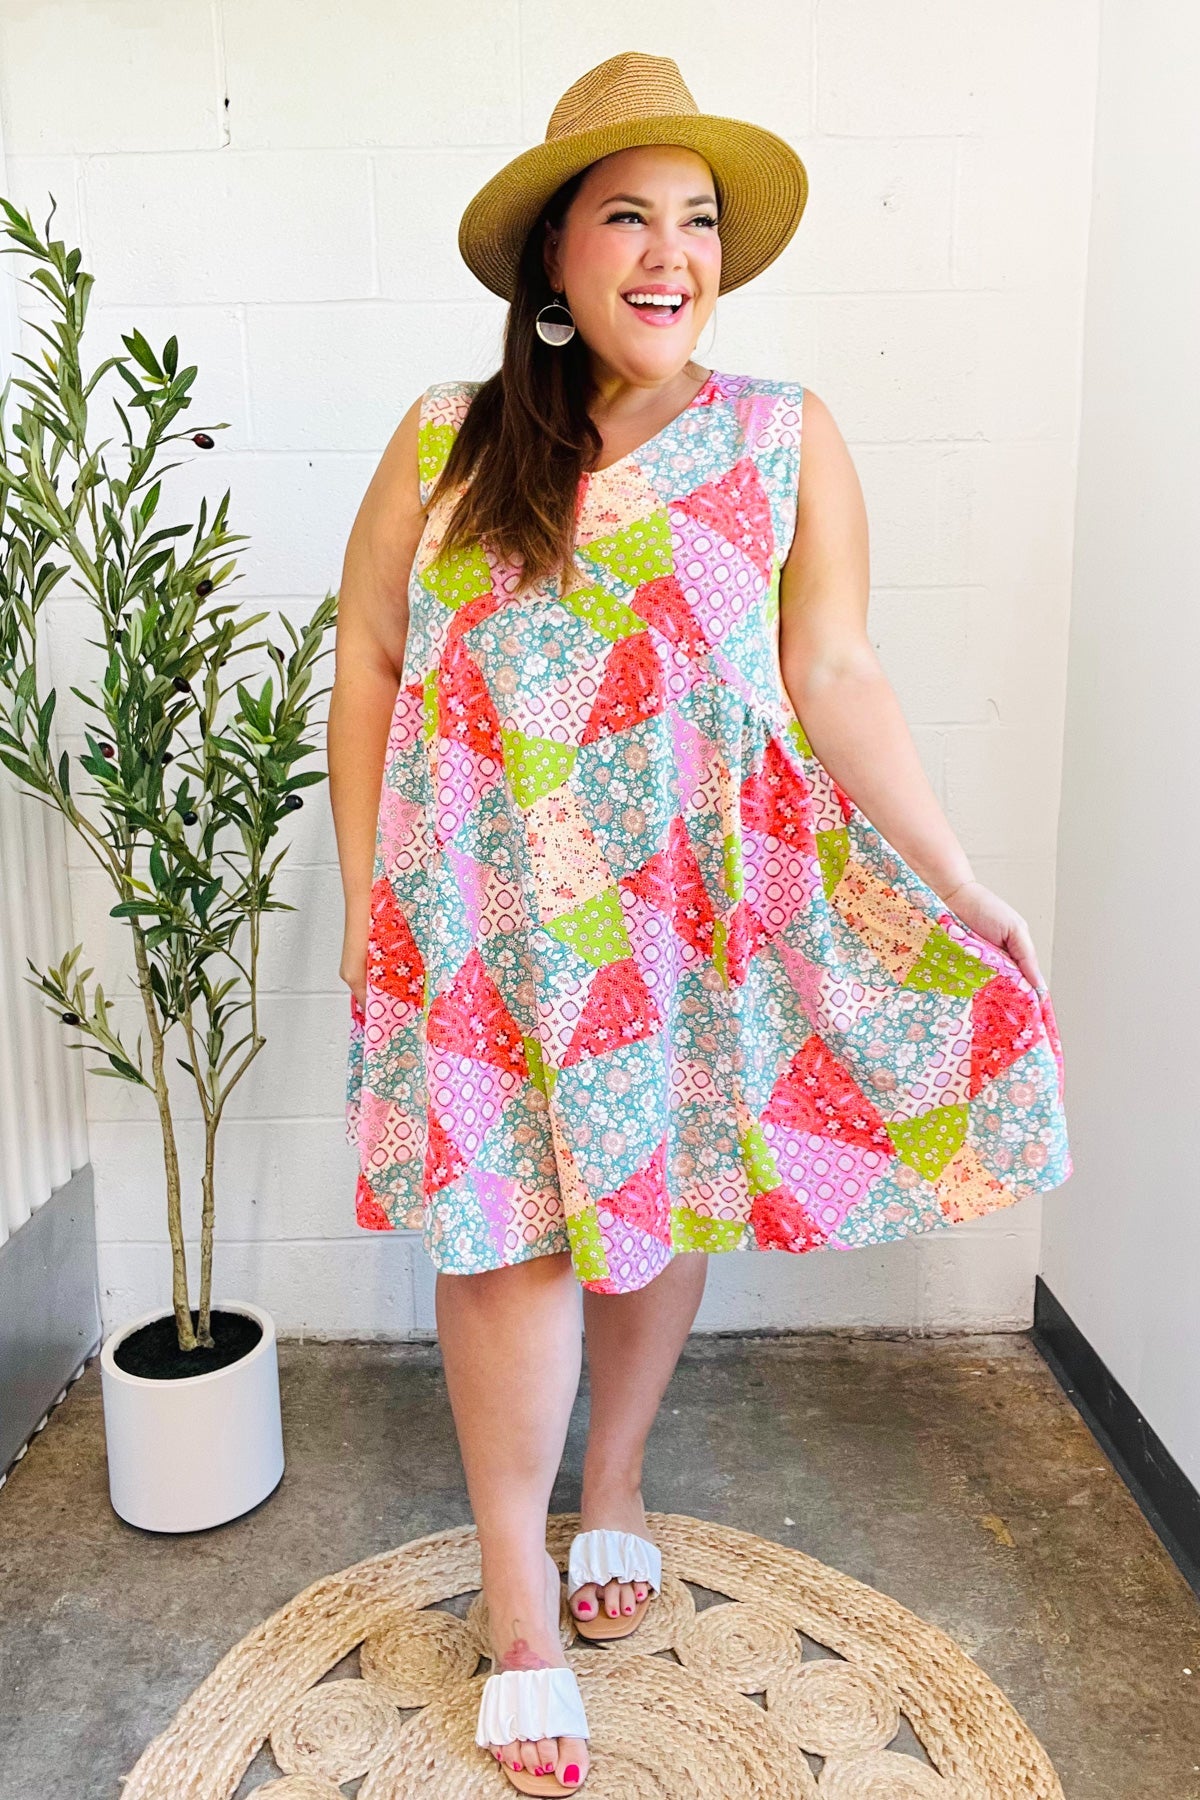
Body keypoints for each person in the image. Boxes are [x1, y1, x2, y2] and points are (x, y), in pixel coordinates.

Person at [328, 50, 1071, 1796]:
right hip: (485, 921)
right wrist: (367, 894)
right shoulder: (444, 440)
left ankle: (616, 1484)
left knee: (652, 1199)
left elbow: (838, 670)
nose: (673, 255)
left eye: (700, 222)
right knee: (502, 1238)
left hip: (685, 918)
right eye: (629, 219)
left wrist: (959, 877)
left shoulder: (781, 433)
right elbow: (366, 656)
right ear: (555, 258)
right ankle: (520, 1604)